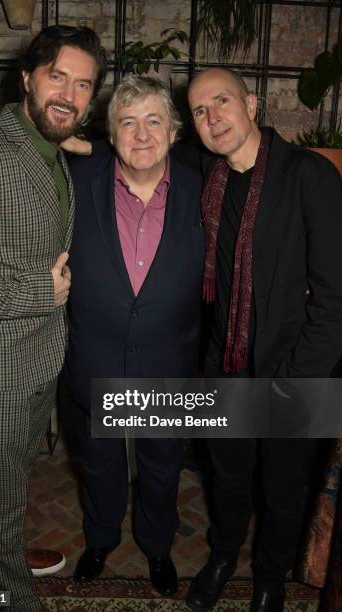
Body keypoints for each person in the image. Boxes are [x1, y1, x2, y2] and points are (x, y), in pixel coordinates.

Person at [0, 25, 106, 612]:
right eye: (57, 76)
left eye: (83, 85)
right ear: (27, 77)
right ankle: (14, 593)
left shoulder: (50, 148)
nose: (70, 94)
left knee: (9, 479)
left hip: (40, 355)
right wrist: (42, 289)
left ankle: (3, 548)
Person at [185, 67, 342, 612]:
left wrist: (298, 381)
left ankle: (269, 577)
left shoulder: (310, 176)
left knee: (283, 489)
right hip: (225, 363)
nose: (212, 118)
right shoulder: (207, 174)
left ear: (253, 103)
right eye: (200, 111)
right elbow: (137, 151)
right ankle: (223, 556)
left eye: (222, 102)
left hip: (295, 369)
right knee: (227, 477)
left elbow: (334, 296)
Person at [60, 75, 205, 596]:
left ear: (173, 131)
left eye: (153, 121)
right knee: (98, 461)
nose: (141, 134)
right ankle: (99, 539)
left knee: (162, 465)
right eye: (127, 122)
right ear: (110, 132)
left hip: (169, 360)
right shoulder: (76, 179)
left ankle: (158, 546)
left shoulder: (203, 186)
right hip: (95, 357)